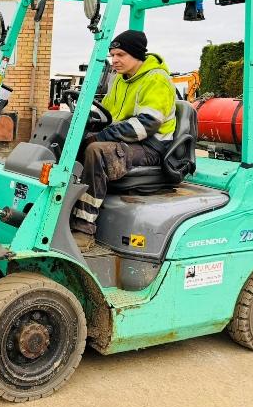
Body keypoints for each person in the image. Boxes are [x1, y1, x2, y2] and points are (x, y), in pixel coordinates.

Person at [71, 30, 176, 249]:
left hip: (151, 147)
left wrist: (101, 136)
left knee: (96, 150)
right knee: (70, 143)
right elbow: (107, 113)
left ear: (137, 54)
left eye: (120, 55)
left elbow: (147, 124)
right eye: (112, 55)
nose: (114, 60)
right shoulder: (119, 79)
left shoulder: (157, 79)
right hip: (127, 142)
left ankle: (84, 229)